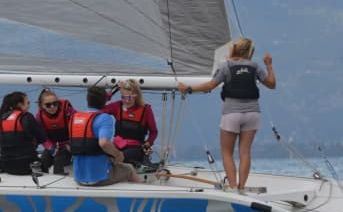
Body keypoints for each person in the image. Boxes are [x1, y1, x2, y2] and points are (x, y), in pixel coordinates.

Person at [179, 37, 276, 191]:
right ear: (250, 52)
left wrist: (189, 89)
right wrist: (269, 65)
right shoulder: (255, 66)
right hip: (252, 113)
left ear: (235, 50)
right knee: (245, 152)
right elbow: (271, 84)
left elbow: (210, 85)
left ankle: (232, 186)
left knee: (227, 152)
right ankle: (242, 186)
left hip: (232, 113)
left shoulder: (226, 66)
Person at [70, 86, 141, 186]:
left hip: (78, 178)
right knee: (129, 168)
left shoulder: (75, 118)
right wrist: (118, 155)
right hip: (98, 179)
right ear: (104, 102)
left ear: (87, 101)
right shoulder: (104, 118)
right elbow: (103, 143)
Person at [102, 78, 158, 168]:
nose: (127, 101)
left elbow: (154, 132)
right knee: (102, 154)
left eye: (130, 97)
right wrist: (113, 91)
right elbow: (99, 109)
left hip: (136, 149)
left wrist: (148, 143)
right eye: (124, 97)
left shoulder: (146, 110)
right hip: (117, 146)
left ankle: (115, 165)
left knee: (120, 156)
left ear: (136, 96)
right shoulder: (117, 106)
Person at [0, 91, 47, 175]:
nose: (29, 105)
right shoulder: (27, 116)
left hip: (7, 166)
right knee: (45, 165)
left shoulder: (2, 118)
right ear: (20, 104)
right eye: (28, 103)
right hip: (27, 166)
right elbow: (42, 138)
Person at [35, 88, 75, 175]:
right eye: (48, 105)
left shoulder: (67, 111)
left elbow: (77, 128)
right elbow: (42, 137)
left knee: (58, 161)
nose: (52, 107)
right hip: (53, 146)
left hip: (68, 146)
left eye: (55, 103)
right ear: (42, 106)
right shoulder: (39, 117)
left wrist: (71, 144)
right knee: (43, 161)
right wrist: (50, 147)